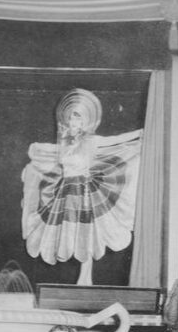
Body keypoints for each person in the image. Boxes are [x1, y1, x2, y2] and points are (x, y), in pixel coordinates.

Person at [21, 88, 142, 286]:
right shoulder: (65, 142)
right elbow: (56, 157)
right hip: (65, 190)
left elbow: (115, 140)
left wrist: (138, 134)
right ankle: (82, 278)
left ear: (84, 122)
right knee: (71, 232)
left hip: (84, 190)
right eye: (71, 119)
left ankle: (86, 279)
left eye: (77, 119)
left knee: (86, 232)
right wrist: (39, 149)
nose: (73, 123)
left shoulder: (91, 141)